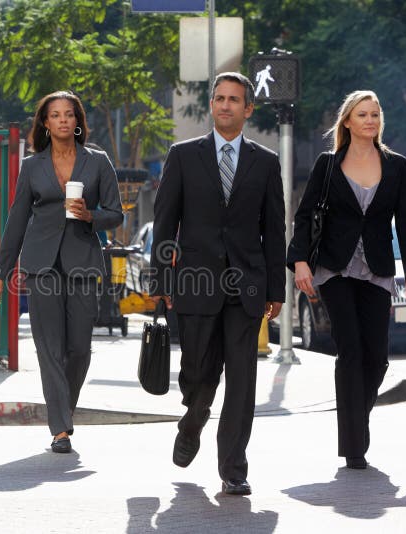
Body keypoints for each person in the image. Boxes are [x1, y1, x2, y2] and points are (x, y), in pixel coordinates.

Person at [150, 72, 286, 496]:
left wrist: (276, 291)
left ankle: (233, 467)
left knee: (242, 381)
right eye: (220, 98)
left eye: (234, 100)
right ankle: (192, 421)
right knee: (198, 374)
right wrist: (161, 277)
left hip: (246, 287)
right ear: (212, 105)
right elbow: (165, 223)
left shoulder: (265, 163)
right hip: (195, 282)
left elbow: (274, 230)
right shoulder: (183, 155)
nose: (225, 105)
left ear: (248, 109)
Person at [287, 90, 406, 469]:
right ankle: (354, 445)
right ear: (347, 121)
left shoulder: (396, 166)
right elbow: (305, 215)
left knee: (377, 357)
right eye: (362, 114)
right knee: (350, 350)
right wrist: (299, 261)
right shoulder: (327, 164)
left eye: (375, 114)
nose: (369, 120)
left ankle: (355, 421)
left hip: (377, 269)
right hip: (335, 268)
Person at [0, 91, 123, 453]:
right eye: (55, 115)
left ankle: (65, 411)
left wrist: (91, 216)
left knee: (79, 349)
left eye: (69, 114)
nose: (63, 120)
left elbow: (116, 212)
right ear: (45, 123)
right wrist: (0, 271)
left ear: (77, 121)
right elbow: (17, 219)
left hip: (82, 261)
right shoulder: (33, 166)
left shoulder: (98, 162)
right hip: (41, 264)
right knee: (49, 348)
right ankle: (60, 428)